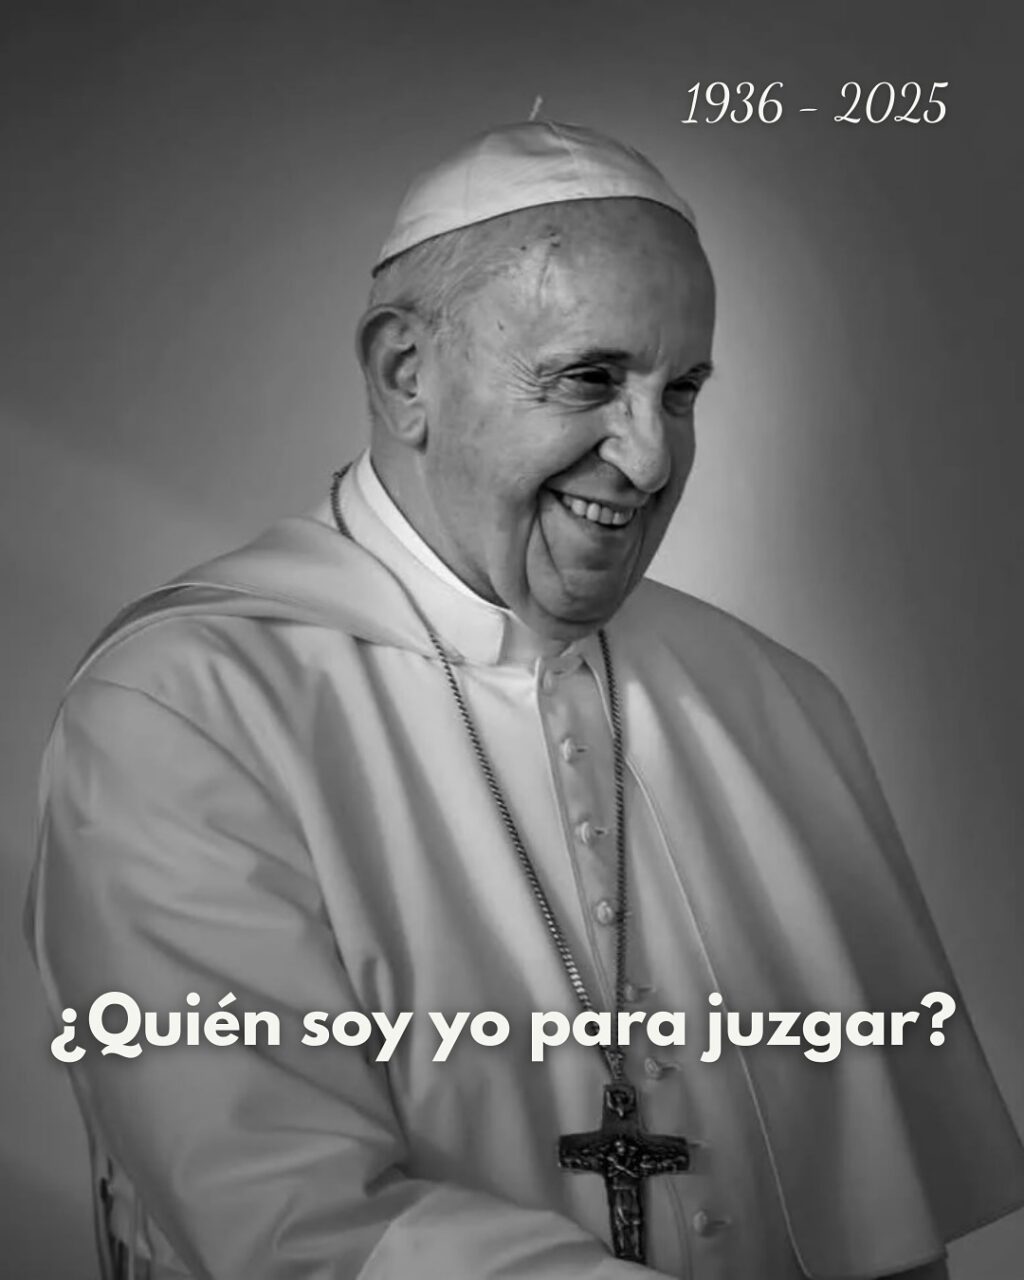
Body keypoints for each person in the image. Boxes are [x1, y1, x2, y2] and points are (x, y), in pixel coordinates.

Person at [27, 120, 1024, 1280]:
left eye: (681, 390)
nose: (650, 459)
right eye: (590, 378)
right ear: (406, 375)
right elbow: (294, 1226)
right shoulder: (183, 706)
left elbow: (882, 1224)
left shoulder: (771, 698)